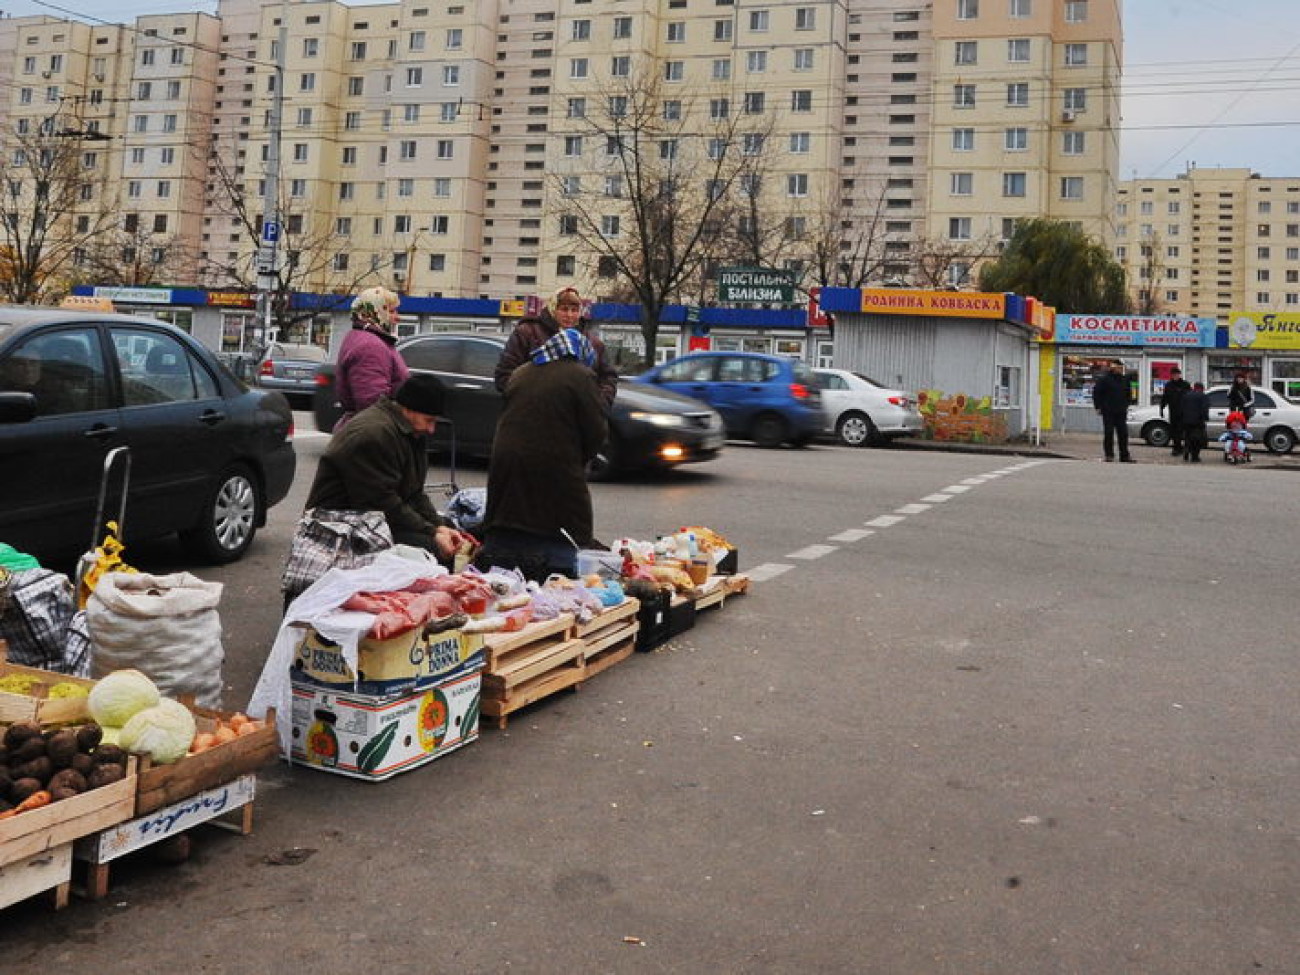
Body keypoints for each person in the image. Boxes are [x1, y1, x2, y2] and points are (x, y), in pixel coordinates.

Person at [476, 328, 609, 581]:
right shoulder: (581, 376)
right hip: (554, 461)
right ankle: (558, 569)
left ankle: (502, 562)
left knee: (512, 511)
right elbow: (596, 429)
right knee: (564, 518)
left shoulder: (521, 372)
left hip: (506, 459)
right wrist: (580, 459)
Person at [305, 374, 473, 561]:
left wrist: (439, 526)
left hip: (373, 515)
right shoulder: (373, 434)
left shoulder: (409, 432)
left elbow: (414, 494)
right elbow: (380, 501)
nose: (432, 429)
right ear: (409, 409)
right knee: (431, 548)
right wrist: (432, 533)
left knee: (451, 529)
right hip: (338, 522)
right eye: (429, 420)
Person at [494, 286, 618, 407]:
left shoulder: (591, 343)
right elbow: (504, 376)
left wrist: (598, 403)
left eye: (574, 310)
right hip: (535, 417)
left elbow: (608, 377)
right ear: (552, 309)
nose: (569, 315)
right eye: (564, 309)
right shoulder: (528, 333)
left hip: (576, 420)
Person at [333, 286, 409, 429]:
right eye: (390, 311)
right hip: (369, 435)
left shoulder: (365, 338)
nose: (397, 317)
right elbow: (372, 403)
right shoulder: (370, 346)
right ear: (374, 312)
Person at [1092, 358, 1134, 463]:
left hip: (1121, 411)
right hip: (1108, 410)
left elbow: (1128, 394)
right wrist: (1098, 407)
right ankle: (1109, 455)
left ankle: (1124, 455)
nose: (1120, 369)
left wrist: (1127, 404)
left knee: (1123, 433)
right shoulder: (1105, 379)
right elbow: (1096, 393)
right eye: (1118, 367)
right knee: (1109, 433)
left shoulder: (1125, 379)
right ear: (1113, 368)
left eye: (1121, 368)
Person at [1158, 367, 1191, 457]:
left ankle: (1185, 448)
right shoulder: (1169, 385)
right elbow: (1165, 397)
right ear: (1172, 375)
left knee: (1183, 431)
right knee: (1174, 431)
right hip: (1173, 411)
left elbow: (1190, 397)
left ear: (1179, 375)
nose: (1175, 376)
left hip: (1184, 411)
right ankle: (1176, 448)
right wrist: (1161, 407)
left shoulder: (1185, 385)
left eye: (1177, 374)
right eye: (1174, 375)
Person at [1180, 381, 1210, 462]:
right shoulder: (1203, 396)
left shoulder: (1186, 395)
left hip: (1186, 421)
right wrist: (1205, 418)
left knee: (1188, 437)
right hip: (1198, 422)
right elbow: (1204, 409)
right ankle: (1195, 456)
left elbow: (1181, 408)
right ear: (1202, 388)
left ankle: (1187, 448)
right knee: (1197, 439)